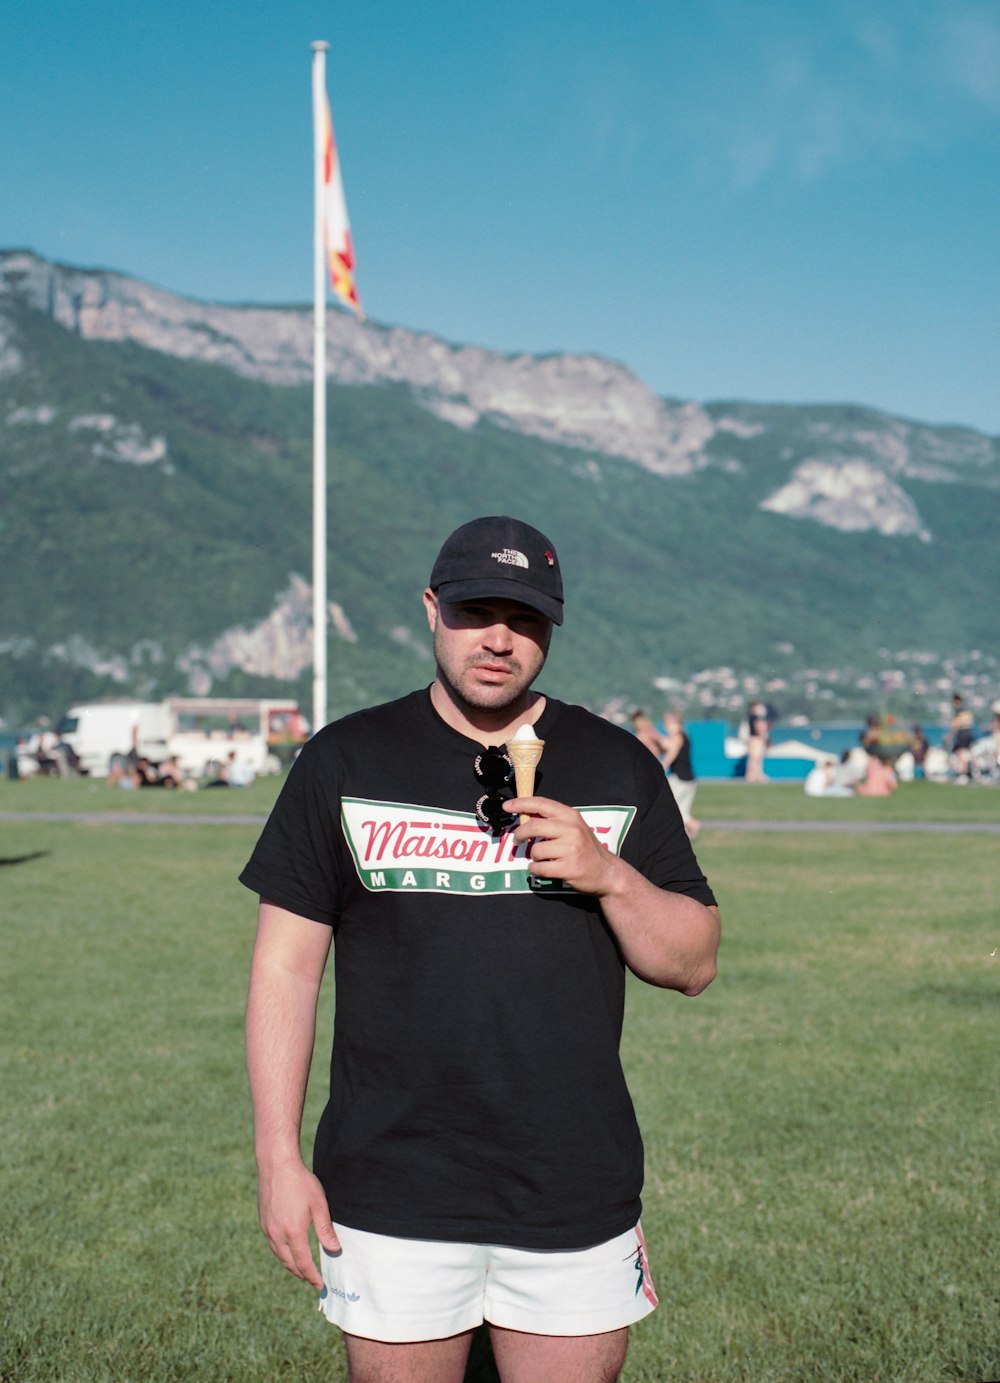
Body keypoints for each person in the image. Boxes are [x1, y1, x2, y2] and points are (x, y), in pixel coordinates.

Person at [241, 516, 721, 1383]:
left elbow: (693, 962)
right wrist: (278, 1157)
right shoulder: (344, 760)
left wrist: (608, 873)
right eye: (475, 610)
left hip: (571, 1188)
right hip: (389, 1187)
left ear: (551, 628)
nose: (499, 638)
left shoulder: (617, 765)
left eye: (525, 618)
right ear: (432, 609)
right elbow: (285, 966)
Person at [661, 711, 702, 838]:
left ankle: (671, 835)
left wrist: (661, 766)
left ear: (677, 724)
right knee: (683, 812)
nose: (666, 727)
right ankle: (693, 828)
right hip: (690, 779)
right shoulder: (685, 735)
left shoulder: (677, 737)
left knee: (668, 807)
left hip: (679, 779)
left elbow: (672, 752)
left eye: (669, 724)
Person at [745, 699, 769, 782]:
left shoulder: (751, 717)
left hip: (753, 739)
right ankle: (751, 777)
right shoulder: (755, 717)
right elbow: (758, 728)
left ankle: (757, 776)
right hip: (756, 739)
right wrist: (763, 738)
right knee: (755, 759)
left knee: (756, 759)